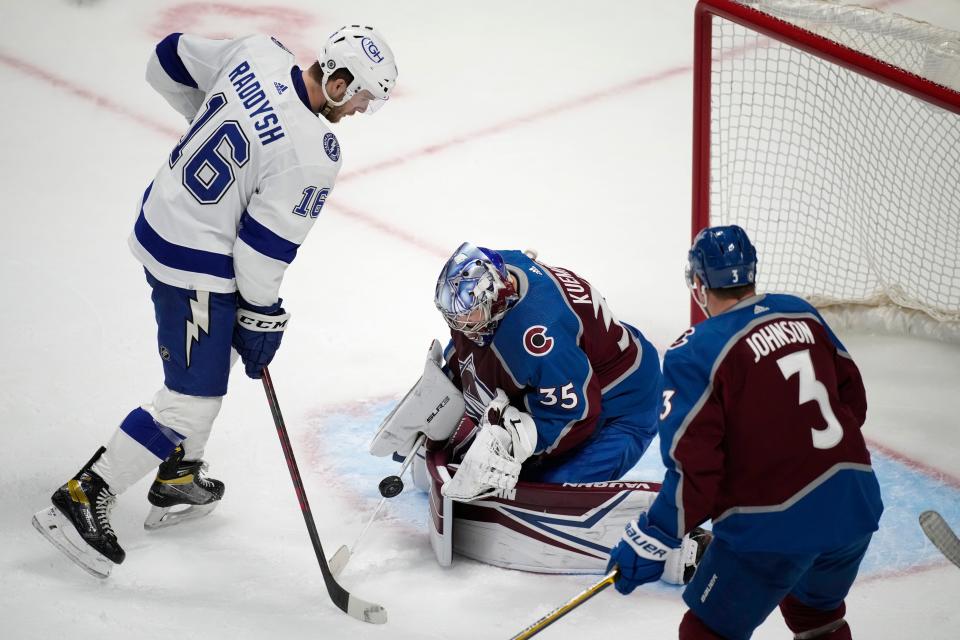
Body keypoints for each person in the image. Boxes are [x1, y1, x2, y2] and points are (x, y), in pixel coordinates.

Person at [32, 26, 399, 578]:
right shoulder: (314, 154)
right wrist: (264, 318)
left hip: (162, 211)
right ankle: (83, 497)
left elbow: (165, 59)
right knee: (192, 399)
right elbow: (258, 255)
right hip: (193, 258)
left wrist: (208, 125)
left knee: (216, 348)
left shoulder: (260, 51)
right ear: (341, 82)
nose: (360, 111)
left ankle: (177, 472)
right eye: (363, 99)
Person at [606, 225, 884, 639]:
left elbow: (694, 473)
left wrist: (654, 536)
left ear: (698, 283)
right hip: (855, 504)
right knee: (815, 615)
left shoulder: (695, 350)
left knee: (706, 631)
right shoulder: (801, 312)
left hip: (775, 525)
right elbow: (853, 403)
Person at [431, 242, 663, 501]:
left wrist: (522, 441)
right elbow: (476, 340)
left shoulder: (539, 339)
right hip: (580, 363)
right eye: (455, 317)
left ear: (496, 297)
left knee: (542, 490)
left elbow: (577, 414)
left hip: (625, 404)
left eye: (467, 316)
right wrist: (449, 377)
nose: (460, 325)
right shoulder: (501, 269)